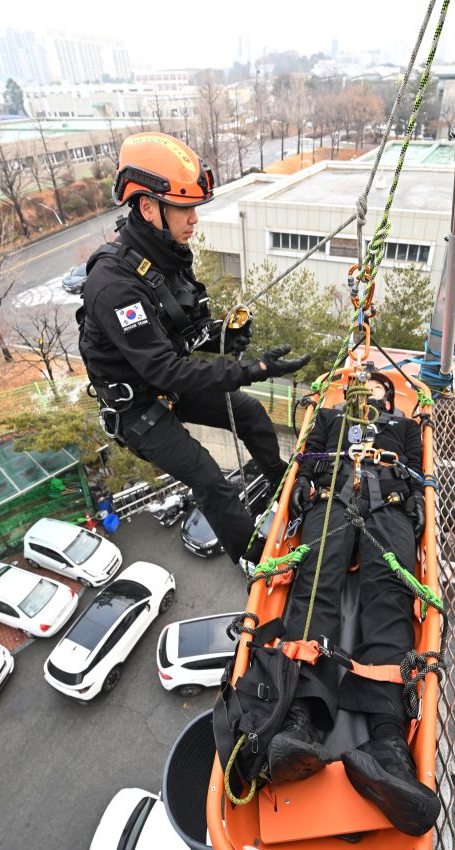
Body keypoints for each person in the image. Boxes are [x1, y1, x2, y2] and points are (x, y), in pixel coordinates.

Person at [79, 132, 309, 564]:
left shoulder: (165, 259)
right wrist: (253, 368)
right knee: (209, 478)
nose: (194, 220)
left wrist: (223, 335)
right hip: (138, 408)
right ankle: (257, 559)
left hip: (165, 384)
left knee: (251, 414)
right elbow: (166, 368)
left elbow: (183, 329)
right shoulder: (113, 285)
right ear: (148, 208)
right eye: (184, 209)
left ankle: (284, 483)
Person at [267, 373, 441, 836]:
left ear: (387, 396)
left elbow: (419, 470)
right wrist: (304, 483)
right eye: (361, 386)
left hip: (389, 500)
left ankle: (388, 747)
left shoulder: (402, 426)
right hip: (331, 495)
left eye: (378, 386)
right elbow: (304, 461)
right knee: (315, 583)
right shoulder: (328, 418)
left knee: (390, 596)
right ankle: (302, 722)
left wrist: (417, 509)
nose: (369, 390)